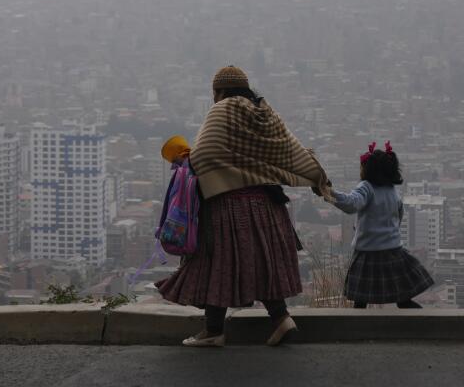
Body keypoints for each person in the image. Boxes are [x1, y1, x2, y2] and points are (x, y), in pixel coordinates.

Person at [156, 66, 332, 347]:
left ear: (220, 91)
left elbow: (204, 154)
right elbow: (290, 150)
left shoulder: (222, 110)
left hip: (228, 205)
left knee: (218, 264)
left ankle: (214, 331)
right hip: (268, 205)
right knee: (263, 262)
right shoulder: (266, 113)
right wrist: (317, 176)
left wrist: (189, 163)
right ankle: (281, 319)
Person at [328, 141, 434, 309]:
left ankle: (357, 331)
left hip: (367, 253)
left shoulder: (366, 187)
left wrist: (329, 193)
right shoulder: (392, 190)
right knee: (403, 299)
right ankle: (423, 322)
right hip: (393, 252)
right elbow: (398, 216)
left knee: (360, 301)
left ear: (368, 169)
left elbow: (351, 204)